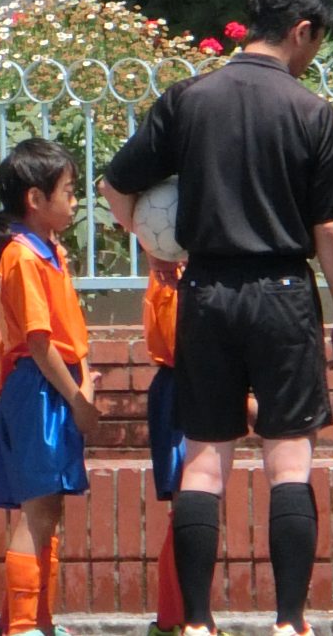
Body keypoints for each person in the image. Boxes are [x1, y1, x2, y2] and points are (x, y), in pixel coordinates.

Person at [100, 0, 333, 636]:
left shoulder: (188, 99)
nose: (312, 55)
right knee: (289, 461)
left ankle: (196, 622)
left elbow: (116, 187)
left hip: (207, 290)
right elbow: (331, 230)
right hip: (283, 293)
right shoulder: (310, 111)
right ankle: (289, 621)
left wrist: (155, 246)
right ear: (301, 31)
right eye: (316, 42)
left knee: (204, 460)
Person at [0, 138, 99, 636]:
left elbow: (69, 330)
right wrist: (76, 398)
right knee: (37, 508)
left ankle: (28, 620)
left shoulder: (50, 252)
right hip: (38, 387)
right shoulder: (22, 257)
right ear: (35, 198)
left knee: (48, 508)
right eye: (68, 191)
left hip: (55, 383)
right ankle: (24, 624)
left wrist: (84, 382)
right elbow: (37, 339)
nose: (74, 201)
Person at [141, 261, 188, 636]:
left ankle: (180, 616)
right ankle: (175, 619)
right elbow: (178, 342)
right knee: (188, 507)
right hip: (182, 386)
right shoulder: (172, 272)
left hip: (185, 384)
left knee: (192, 509)